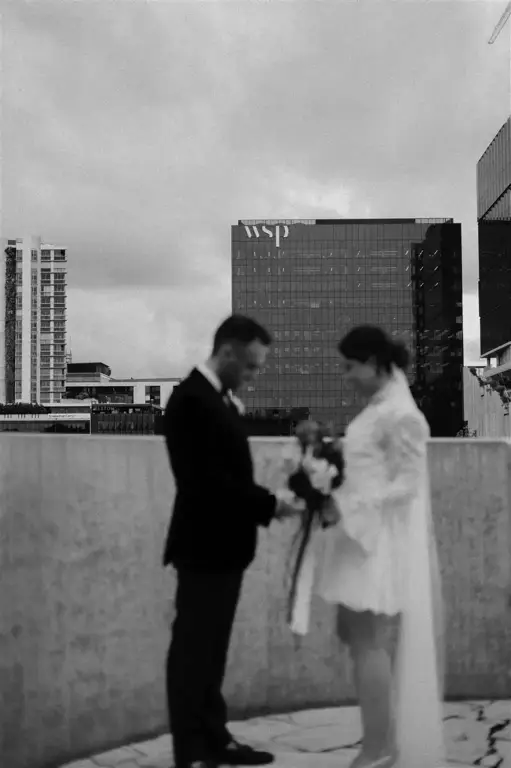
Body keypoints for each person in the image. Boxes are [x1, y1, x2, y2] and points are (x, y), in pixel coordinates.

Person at [162, 314, 304, 768]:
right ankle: (192, 752)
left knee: (210, 652)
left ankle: (214, 738)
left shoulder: (219, 400)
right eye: (250, 367)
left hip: (223, 549)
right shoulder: (190, 400)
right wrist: (270, 504)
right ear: (227, 352)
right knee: (192, 653)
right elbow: (206, 484)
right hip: (203, 548)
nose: (253, 376)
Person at [316, 326, 445, 768]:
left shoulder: (400, 415)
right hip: (358, 537)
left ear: (373, 362)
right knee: (353, 635)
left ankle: (379, 747)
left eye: (350, 366)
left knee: (366, 640)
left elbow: (408, 486)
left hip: (373, 543)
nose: (347, 376)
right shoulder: (379, 408)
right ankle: (378, 739)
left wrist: (346, 505)